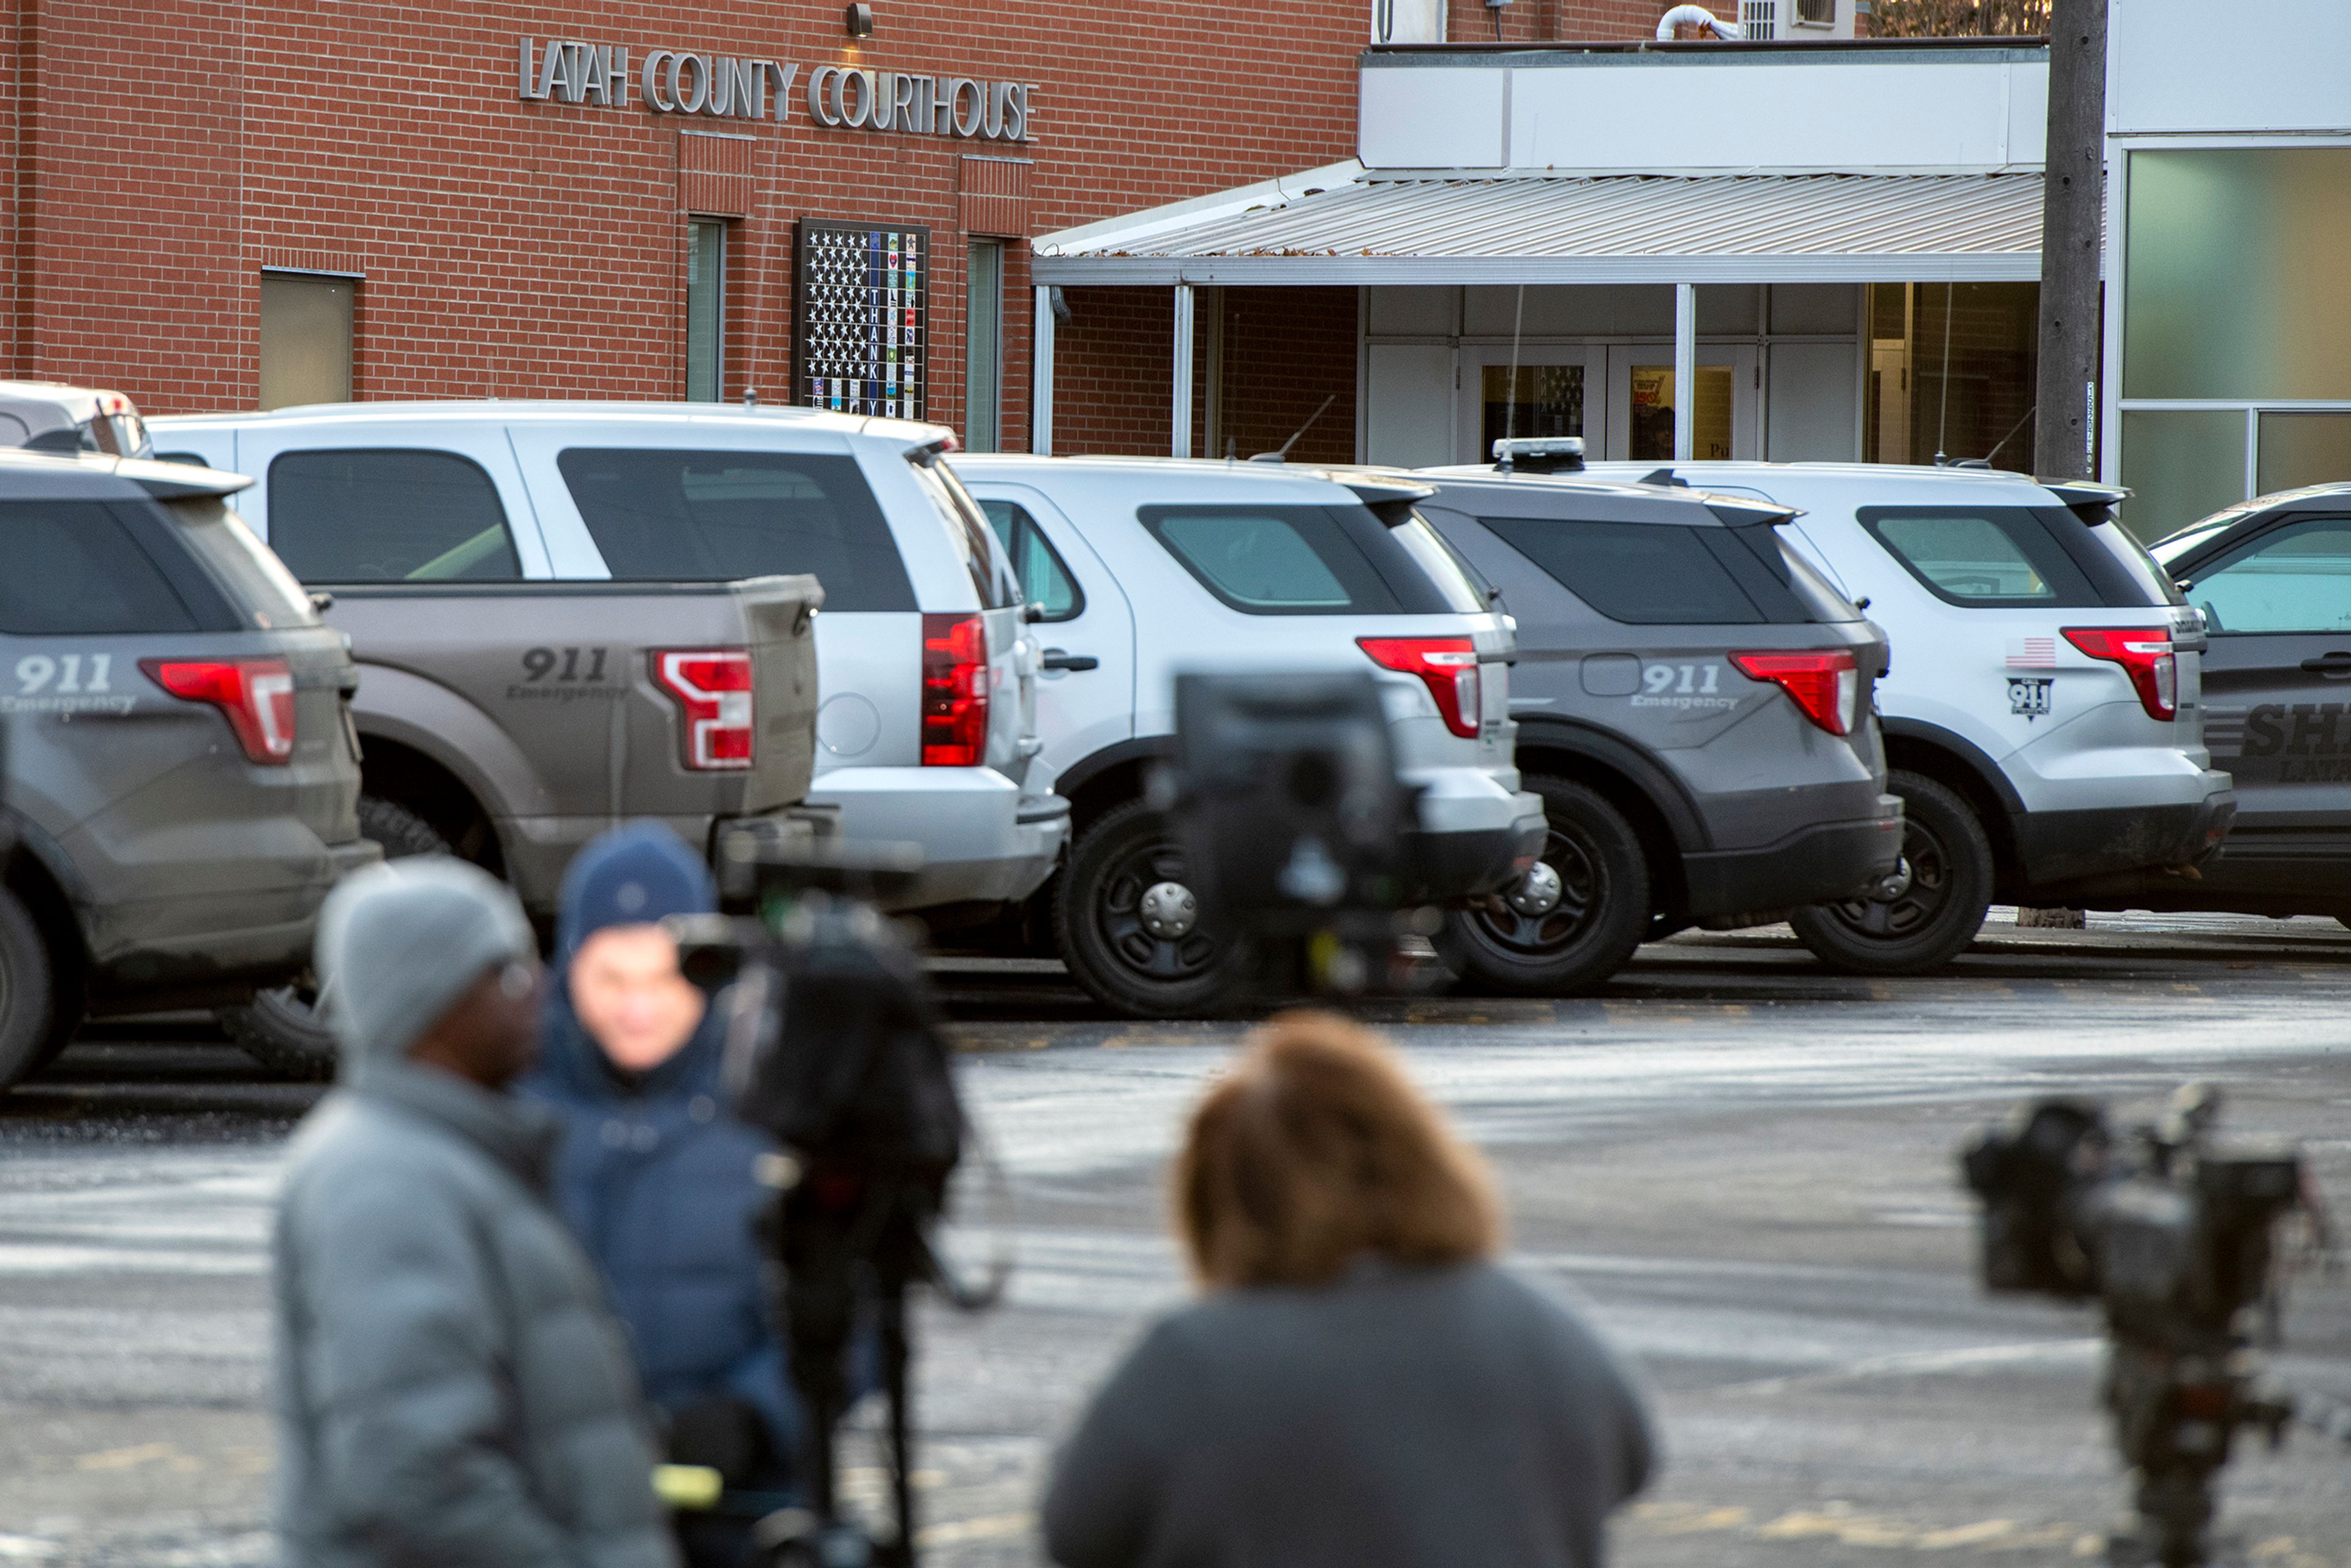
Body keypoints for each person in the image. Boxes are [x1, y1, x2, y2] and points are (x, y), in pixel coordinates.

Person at [1043, 1011, 1656, 1568]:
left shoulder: (1197, 1358)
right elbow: (1634, 1459)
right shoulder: (1536, 1321)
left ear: (1221, 1197)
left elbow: (1077, 1529)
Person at [271, 856, 673, 1568]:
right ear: (431, 998)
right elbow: (414, 1468)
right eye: (508, 972)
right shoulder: (384, 1178)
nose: (540, 991)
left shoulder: (456, 1153)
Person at [519, 823, 796, 1567]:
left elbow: (848, 1298)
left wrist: (758, 1413)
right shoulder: (511, 1107)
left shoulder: (771, 1100)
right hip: (550, 1509)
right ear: (569, 968)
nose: (637, 1006)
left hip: (739, 1509)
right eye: (612, 977)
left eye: (663, 977)